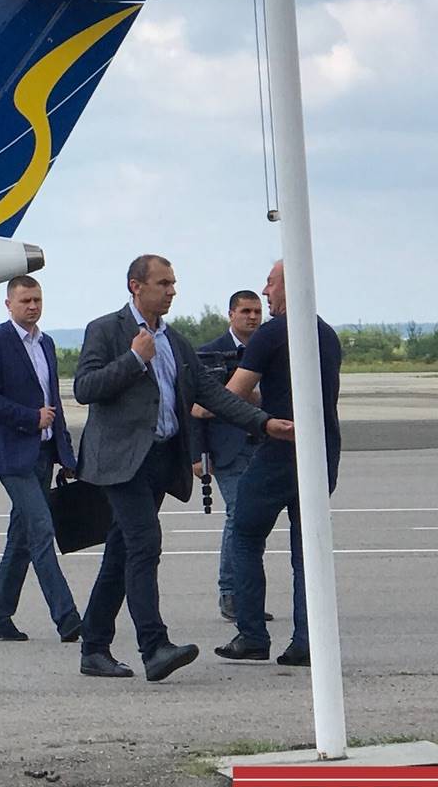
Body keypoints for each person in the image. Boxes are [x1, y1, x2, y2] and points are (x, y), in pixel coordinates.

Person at [72, 255, 292, 683]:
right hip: (119, 462)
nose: (172, 291)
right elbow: (85, 388)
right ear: (136, 286)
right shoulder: (106, 330)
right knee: (144, 543)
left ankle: (93, 647)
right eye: (163, 283)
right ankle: (154, 647)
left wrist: (264, 423)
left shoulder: (175, 341)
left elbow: (212, 393)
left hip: (158, 460)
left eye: (173, 283)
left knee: (121, 552)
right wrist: (133, 359)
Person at [216, 260, 344, 669]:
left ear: (290, 285)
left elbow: (235, 394)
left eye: (271, 284)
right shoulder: (326, 333)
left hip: (280, 450)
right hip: (323, 449)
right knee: (307, 550)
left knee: (244, 534)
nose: (265, 292)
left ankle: (252, 633)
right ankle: (307, 639)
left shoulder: (272, 333)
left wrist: (203, 399)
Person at [0, 276, 82, 644]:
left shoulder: (45, 343)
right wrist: (30, 417)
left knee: (20, 537)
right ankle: (68, 618)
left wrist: (66, 453)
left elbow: (54, 401)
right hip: (10, 453)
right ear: (9, 305)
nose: (32, 306)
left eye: (37, 300)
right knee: (41, 529)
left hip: (43, 453)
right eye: (25, 301)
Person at [188, 290, 266, 622]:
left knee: (255, 520)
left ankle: (248, 596)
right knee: (238, 514)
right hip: (227, 448)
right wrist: (197, 454)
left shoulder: (269, 347)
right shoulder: (208, 353)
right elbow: (193, 409)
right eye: (246, 311)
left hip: (262, 445)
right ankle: (230, 592)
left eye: (257, 311)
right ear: (231, 314)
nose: (252, 317)